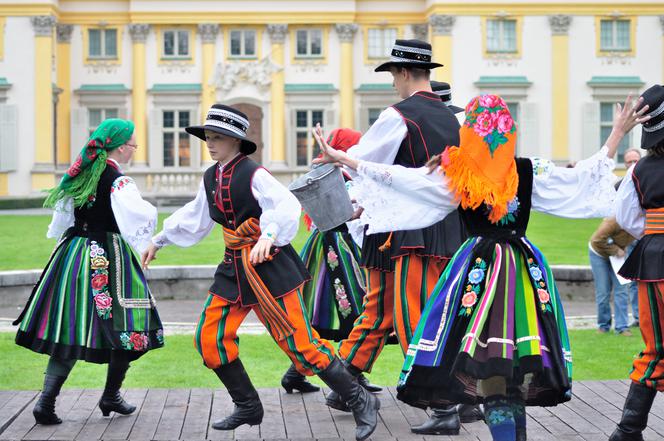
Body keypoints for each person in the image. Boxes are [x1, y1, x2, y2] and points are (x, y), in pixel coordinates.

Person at [313, 93, 647, 441]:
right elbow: (582, 177)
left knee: (492, 368)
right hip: (522, 273)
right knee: (513, 367)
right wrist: (616, 134)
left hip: (478, 274)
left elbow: (404, 181)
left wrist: (348, 160)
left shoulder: (458, 172)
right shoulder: (526, 170)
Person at [141, 104, 379, 441]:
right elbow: (196, 216)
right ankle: (247, 405)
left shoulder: (255, 174)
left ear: (236, 141)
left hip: (271, 270)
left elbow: (285, 205)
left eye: (218, 138)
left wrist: (267, 236)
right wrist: (160, 239)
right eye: (208, 137)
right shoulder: (211, 176)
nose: (210, 144)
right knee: (209, 339)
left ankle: (359, 399)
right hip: (233, 270)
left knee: (302, 345)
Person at [321, 39, 476, 435]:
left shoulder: (398, 115)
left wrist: (344, 171)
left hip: (410, 228)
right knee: (383, 306)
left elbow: (365, 163)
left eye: (393, 74)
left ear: (405, 73)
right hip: (436, 225)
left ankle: (444, 405)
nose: (392, 82)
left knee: (413, 314)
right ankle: (347, 382)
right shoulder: (453, 118)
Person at [14, 119, 164, 425]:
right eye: (133, 145)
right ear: (121, 146)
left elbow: (63, 216)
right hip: (107, 256)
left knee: (69, 326)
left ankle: (46, 401)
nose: (134, 150)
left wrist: (68, 245)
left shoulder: (79, 173)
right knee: (132, 323)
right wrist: (150, 241)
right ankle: (110, 395)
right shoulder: (119, 181)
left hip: (73, 255)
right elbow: (138, 217)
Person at [612, 84, 663, 441]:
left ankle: (628, 430)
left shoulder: (638, 170)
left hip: (652, 260)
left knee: (656, 346)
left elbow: (627, 218)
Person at [588, 217, 635, 335]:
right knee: (603, 291)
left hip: (619, 256)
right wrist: (615, 250)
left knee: (622, 290)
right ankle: (603, 326)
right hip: (598, 254)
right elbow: (596, 240)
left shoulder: (637, 224)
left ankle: (622, 327)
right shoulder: (612, 222)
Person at [622, 147, 642, 327]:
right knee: (634, 280)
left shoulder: (647, 177)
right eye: (629, 161)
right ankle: (638, 316)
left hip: (648, 235)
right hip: (632, 237)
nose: (632, 164)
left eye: (635, 161)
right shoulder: (624, 184)